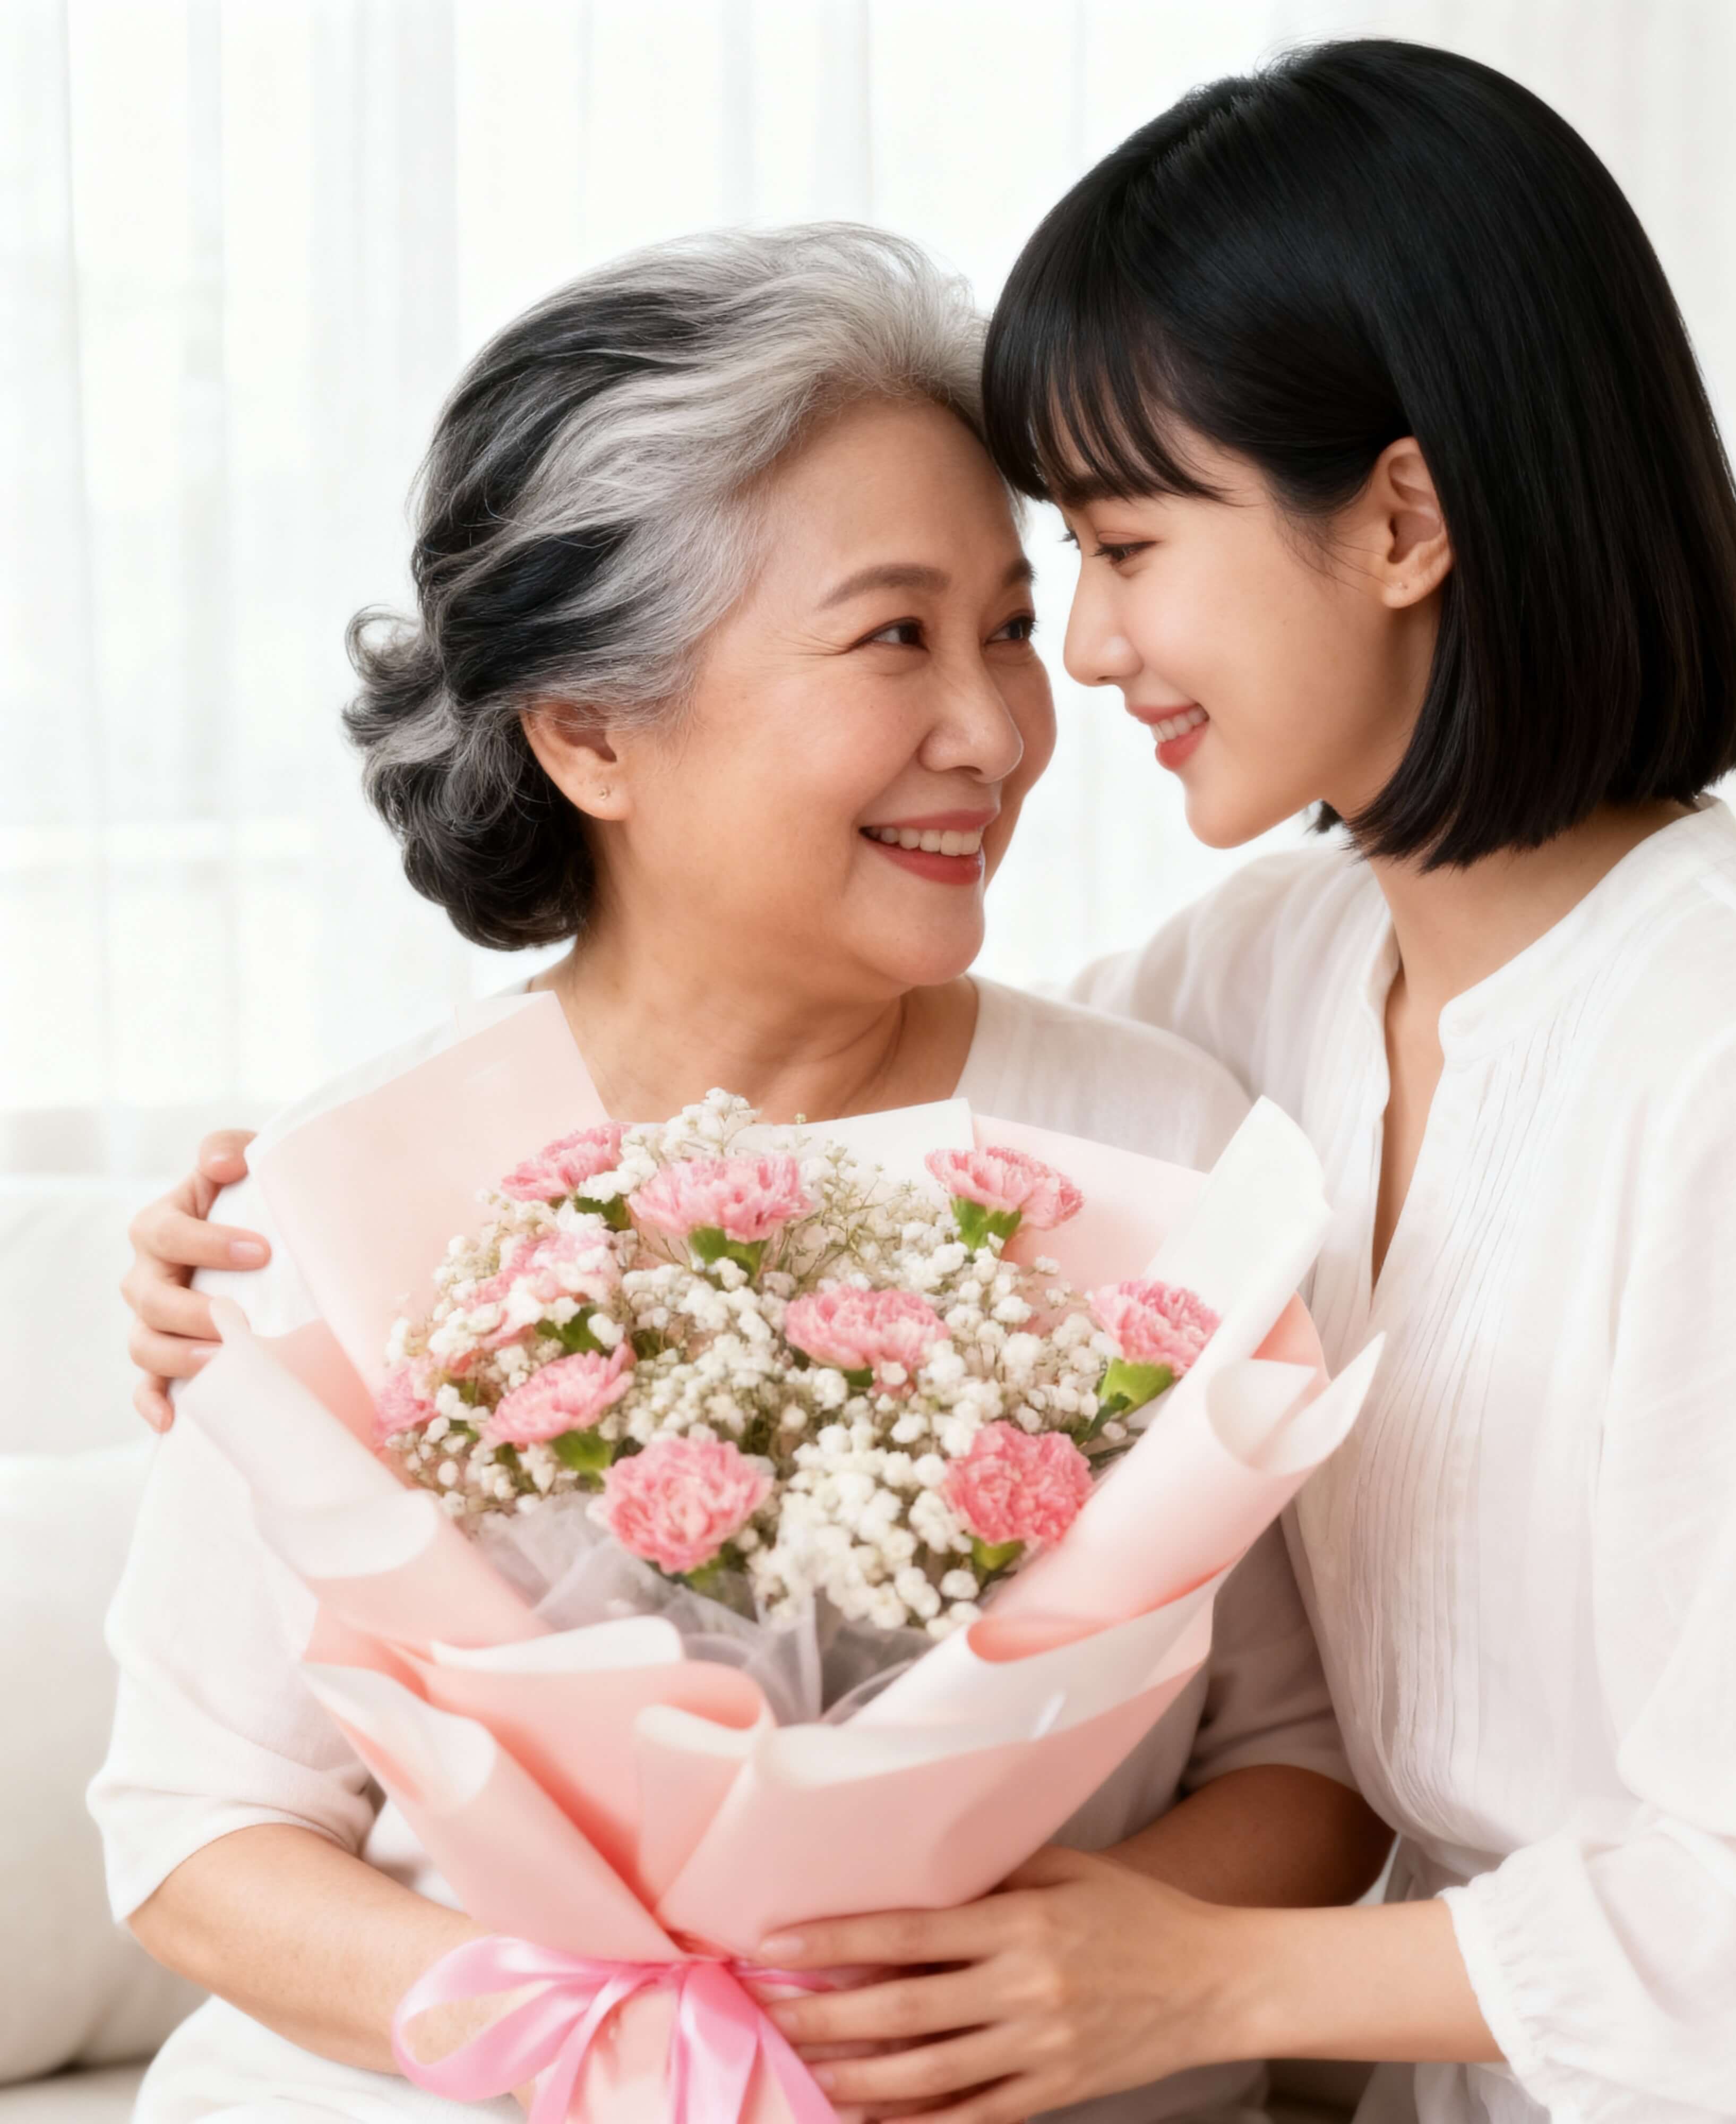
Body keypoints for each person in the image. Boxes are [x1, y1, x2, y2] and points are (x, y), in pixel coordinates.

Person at [123, 40, 1736, 2123]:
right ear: (588, 730)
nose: (1049, 681)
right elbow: (842, 1077)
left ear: (1404, 522)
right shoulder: (1283, 970)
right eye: (919, 627)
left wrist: (1172, 1977)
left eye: (1111, 552)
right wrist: (256, 1260)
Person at [89, 224, 1386, 2124]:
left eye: (1010, 628)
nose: (999, 732)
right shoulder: (343, 1195)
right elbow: (200, 1829)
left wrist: (1030, 1980)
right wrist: (614, 2043)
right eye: (893, 637)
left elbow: (1307, 1767)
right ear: (593, 731)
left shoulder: (1158, 1145)